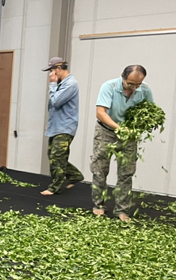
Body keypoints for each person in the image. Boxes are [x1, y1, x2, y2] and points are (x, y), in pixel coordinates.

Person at [91, 65, 154, 222]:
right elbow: (100, 112)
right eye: (130, 84)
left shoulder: (145, 90)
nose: (133, 88)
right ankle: (99, 205)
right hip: (106, 131)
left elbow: (150, 112)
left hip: (129, 136)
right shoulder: (109, 86)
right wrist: (119, 128)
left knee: (126, 172)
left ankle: (122, 209)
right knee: (100, 168)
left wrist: (138, 127)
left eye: (137, 85)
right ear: (123, 78)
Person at [40, 57, 83, 196]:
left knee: (57, 157)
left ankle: (55, 187)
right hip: (56, 126)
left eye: (52, 70)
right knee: (52, 155)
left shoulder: (70, 84)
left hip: (65, 126)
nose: (51, 74)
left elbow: (56, 101)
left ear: (59, 68)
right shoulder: (61, 83)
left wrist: (52, 85)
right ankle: (75, 175)